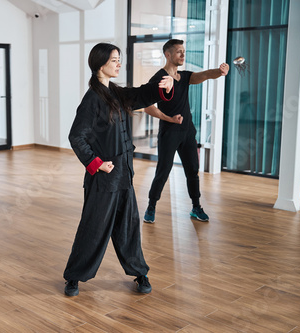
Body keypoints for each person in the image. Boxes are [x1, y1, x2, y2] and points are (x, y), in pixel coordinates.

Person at [63, 43, 174, 296]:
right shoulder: (92, 99)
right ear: (100, 64)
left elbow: (141, 95)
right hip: (103, 180)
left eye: (118, 59)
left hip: (125, 175)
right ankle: (74, 277)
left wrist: (162, 86)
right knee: (93, 230)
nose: (118, 63)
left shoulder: (116, 92)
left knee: (129, 228)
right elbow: (76, 137)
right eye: (114, 60)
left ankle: (139, 272)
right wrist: (96, 163)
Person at [142, 39, 229, 224]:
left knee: (192, 171)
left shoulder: (184, 77)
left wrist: (220, 72)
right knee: (163, 171)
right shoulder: (159, 79)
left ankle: (196, 207)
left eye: (184, 51)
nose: (183, 55)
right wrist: (169, 119)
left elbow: (204, 75)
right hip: (169, 133)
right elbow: (147, 107)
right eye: (179, 51)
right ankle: (151, 206)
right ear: (167, 54)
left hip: (188, 132)